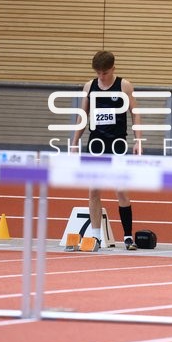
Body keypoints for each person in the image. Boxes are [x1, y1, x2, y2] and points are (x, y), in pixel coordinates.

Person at [70, 51, 142, 251]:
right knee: (94, 189)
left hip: (117, 143)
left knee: (120, 189)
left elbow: (135, 114)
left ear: (113, 69)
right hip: (96, 143)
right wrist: (74, 142)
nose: (102, 76)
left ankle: (128, 237)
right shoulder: (89, 86)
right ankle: (95, 236)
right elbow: (83, 115)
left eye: (105, 73)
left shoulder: (124, 86)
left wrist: (138, 140)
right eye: (98, 73)